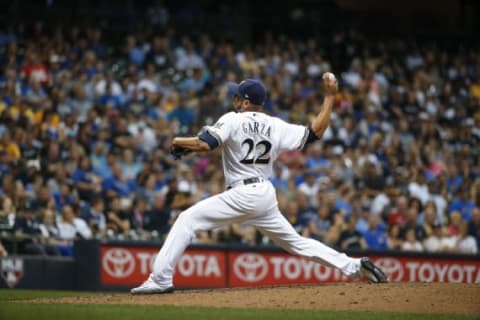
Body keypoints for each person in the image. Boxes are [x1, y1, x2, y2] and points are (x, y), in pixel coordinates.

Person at [131, 74, 388, 294]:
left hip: (243, 192)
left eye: (237, 97)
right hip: (264, 193)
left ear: (244, 102)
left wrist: (178, 140)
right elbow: (315, 133)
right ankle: (355, 265)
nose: (235, 101)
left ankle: (160, 279)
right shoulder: (275, 124)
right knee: (296, 243)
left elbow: (205, 144)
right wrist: (330, 97)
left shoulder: (232, 118)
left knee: (187, 220)